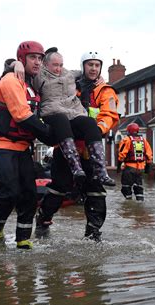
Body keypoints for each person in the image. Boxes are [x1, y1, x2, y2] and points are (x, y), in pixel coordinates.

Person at [35, 50, 120, 242]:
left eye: (97, 65)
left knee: (96, 193)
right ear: (83, 67)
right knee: (58, 188)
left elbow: (110, 116)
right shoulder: (71, 85)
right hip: (65, 149)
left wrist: (96, 130)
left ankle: (93, 234)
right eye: (90, 65)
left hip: (90, 151)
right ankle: (43, 221)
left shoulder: (105, 91)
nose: (93, 68)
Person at [0, 40, 52, 249]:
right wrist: (50, 135)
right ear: (22, 60)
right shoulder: (12, 79)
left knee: (30, 195)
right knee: (10, 192)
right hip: (1, 145)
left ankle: (23, 239)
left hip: (22, 148)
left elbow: (62, 76)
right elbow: (21, 115)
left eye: (40, 58)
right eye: (33, 58)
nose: (38, 62)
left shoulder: (33, 84)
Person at [12, 47, 115, 186]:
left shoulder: (70, 74)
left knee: (90, 122)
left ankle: (101, 171)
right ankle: (76, 168)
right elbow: (22, 70)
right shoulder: (39, 75)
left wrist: (99, 78)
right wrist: (14, 63)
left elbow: (87, 74)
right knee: (61, 120)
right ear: (45, 64)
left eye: (61, 65)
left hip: (73, 112)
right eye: (55, 65)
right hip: (53, 112)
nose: (58, 69)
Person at [117, 123, 153, 201]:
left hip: (129, 168)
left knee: (125, 188)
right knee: (139, 187)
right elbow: (149, 155)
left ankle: (129, 204)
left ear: (128, 131)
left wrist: (118, 168)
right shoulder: (144, 140)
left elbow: (121, 154)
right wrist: (147, 169)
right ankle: (140, 202)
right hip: (140, 169)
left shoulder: (126, 140)